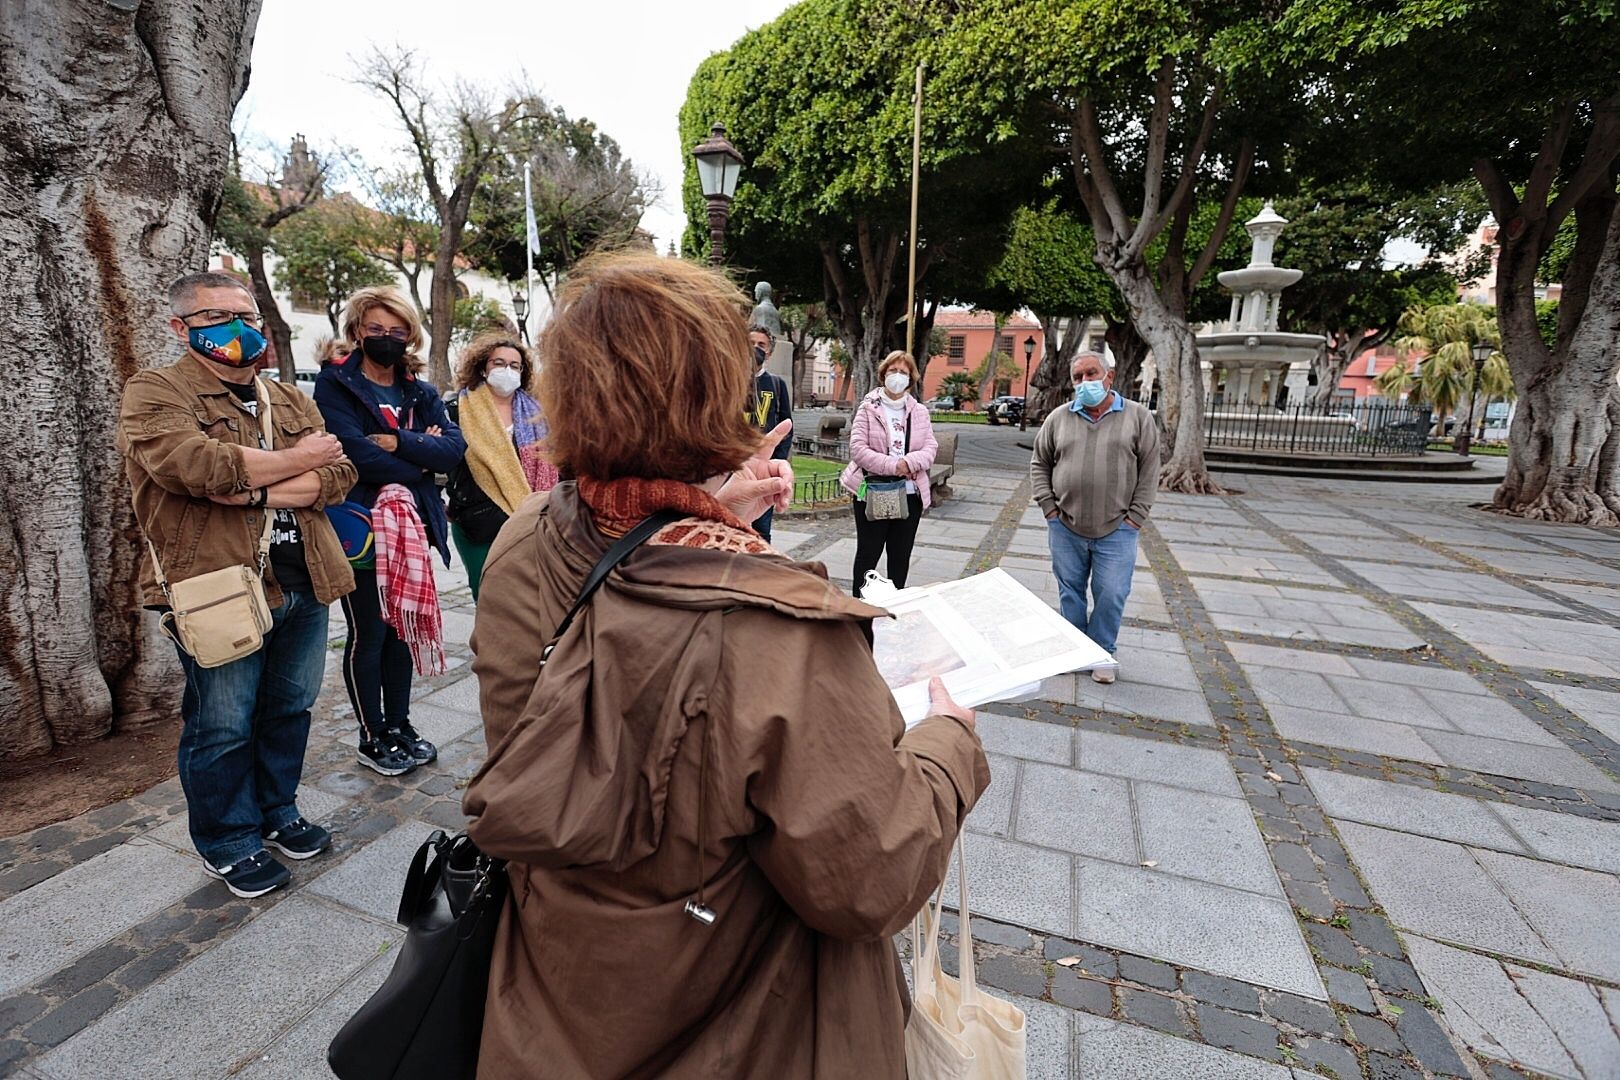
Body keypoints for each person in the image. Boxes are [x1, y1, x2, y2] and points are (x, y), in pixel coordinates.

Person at [463, 253, 989, 1078]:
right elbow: (869, 877)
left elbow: (596, 650)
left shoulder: (525, 536)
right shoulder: (779, 624)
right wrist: (950, 744)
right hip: (742, 1016)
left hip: (558, 989)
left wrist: (715, 513)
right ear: (718, 390)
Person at [117, 272, 358, 899]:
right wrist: (302, 461)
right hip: (216, 587)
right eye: (217, 316)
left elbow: (340, 475)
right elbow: (194, 466)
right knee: (222, 723)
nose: (239, 329)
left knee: (290, 708)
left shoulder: (285, 397)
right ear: (180, 328)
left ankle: (278, 812)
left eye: (246, 315)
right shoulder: (155, 391)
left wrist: (255, 484)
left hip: (303, 577)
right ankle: (228, 839)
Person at [313, 286, 466, 776]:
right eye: (376, 329)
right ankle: (371, 733)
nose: (386, 338)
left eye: (396, 331)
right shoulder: (336, 385)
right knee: (370, 631)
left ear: (410, 336)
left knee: (402, 627)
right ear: (357, 331)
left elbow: (454, 451)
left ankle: (399, 722)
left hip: (411, 525)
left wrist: (399, 440)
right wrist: (420, 459)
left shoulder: (418, 391)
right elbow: (353, 453)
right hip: (359, 525)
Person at [1031, 350, 1161, 684]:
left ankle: (1102, 652)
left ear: (1109, 376)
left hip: (1118, 526)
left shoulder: (1137, 417)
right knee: (1070, 591)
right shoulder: (1058, 418)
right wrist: (1049, 507)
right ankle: (1076, 651)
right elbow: (1040, 463)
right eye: (1078, 377)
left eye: (1092, 374)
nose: (1085, 382)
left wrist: (1136, 516)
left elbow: (1149, 469)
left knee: (1112, 591)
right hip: (1066, 525)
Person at [445, 332, 559, 599]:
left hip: (533, 523)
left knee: (528, 601)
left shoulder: (539, 414)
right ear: (483, 367)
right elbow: (445, 459)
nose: (506, 370)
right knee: (487, 596)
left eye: (514, 365)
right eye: (498, 363)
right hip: (479, 520)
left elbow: (557, 464)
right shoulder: (457, 409)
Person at [840, 350, 939, 597]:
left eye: (903, 372)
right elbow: (858, 449)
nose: (897, 376)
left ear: (911, 378)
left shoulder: (919, 412)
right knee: (868, 553)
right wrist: (892, 466)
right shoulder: (867, 408)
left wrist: (908, 463)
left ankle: (894, 606)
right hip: (874, 490)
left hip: (908, 493)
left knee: (900, 555)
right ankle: (860, 607)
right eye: (893, 371)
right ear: (883, 374)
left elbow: (930, 448)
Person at [746, 323, 793, 540]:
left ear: (769, 352)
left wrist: (776, 461)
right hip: (732, 468)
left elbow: (786, 426)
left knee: (761, 530)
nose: (756, 348)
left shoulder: (776, 384)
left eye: (761, 345)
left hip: (763, 471)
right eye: (751, 343)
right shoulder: (729, 380)